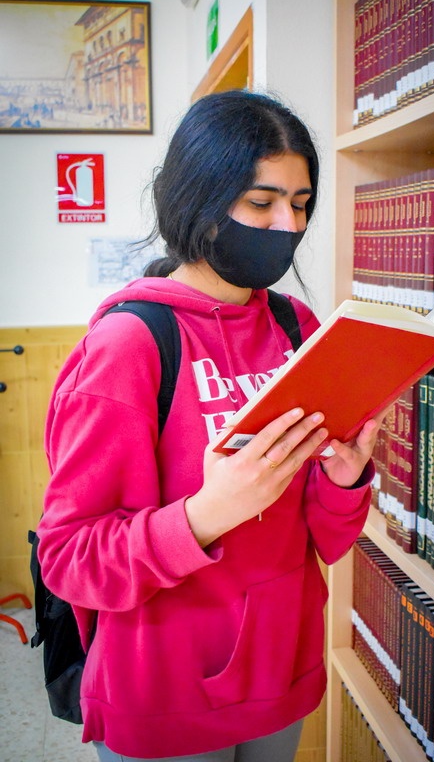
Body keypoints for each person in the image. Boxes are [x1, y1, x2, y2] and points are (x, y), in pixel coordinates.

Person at [38, 90, 385, 762]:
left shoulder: (298, 329)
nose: (287, 224)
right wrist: (203, 516)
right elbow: (69, 558)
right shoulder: (129, 345)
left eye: (301, 203)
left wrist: (345, 483)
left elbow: (325, 539)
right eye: (261, 202)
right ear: (199, 199)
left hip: (281, 675)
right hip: (162, 694)